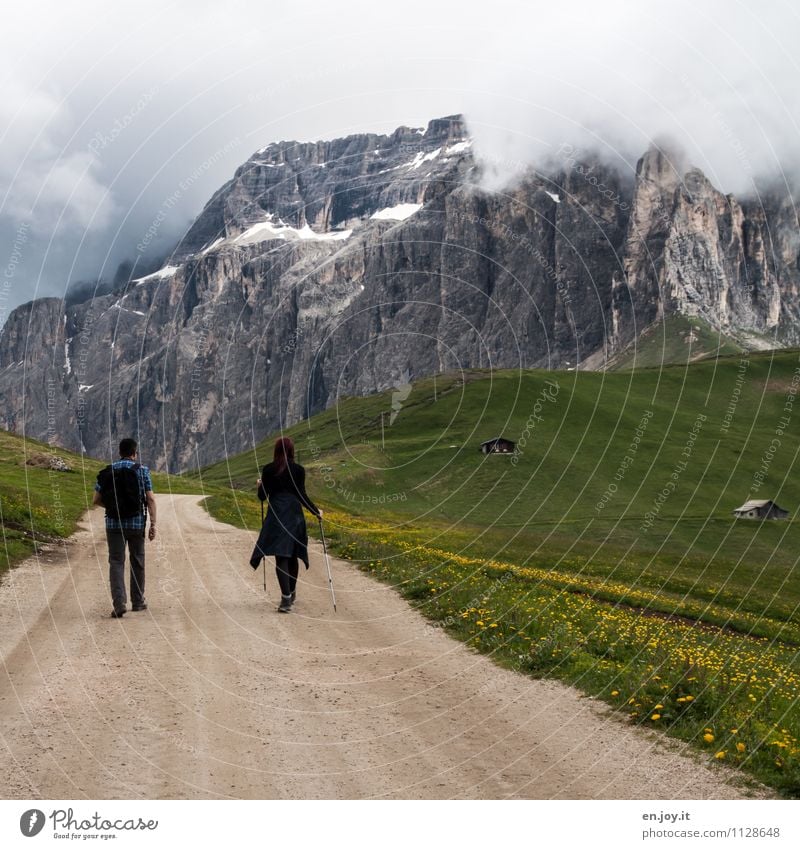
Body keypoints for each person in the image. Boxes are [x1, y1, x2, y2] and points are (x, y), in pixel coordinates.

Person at [250, 436, 322, 612]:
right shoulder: (298, 470)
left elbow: (262, 497)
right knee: (292, 554)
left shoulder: (268, 470)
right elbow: (301, 495)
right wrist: (316, 512)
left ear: (276, 450)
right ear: (292, 451)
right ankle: (292, 591)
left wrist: (260, 485)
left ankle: (286, 599)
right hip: (294, 514)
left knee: (280, 556)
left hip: (276, 514)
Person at [93, 438, 157, 618]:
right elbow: (150, 499)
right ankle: (137, 602)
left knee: (116, 562)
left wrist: (114, 508)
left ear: (119, 452)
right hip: (136, 523)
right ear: (134, 453)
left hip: (113, 523)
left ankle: (119, 603)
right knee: (137, 560)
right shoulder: (142, 470)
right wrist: (153, 524)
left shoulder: (108, 471)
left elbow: (95, 500)